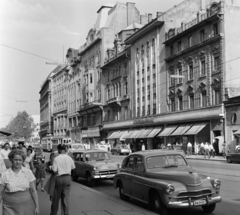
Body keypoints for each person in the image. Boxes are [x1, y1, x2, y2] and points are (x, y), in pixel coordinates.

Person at [0, 149, 39, 215]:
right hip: (9, 208)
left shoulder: (28, 172)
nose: (18, 162)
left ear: (23, 161)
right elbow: (0, 193)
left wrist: (37, 207)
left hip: (27, 206)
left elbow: (33, 190)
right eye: (15, 160)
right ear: (11, 160)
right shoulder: (4, 174)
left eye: (20, 160)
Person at [50, 144, 75, 215]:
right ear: (65, 150)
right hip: (68, 178)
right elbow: (73, 167)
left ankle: (53, 213)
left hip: (59, 179)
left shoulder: (56, 158)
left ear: (58, 150)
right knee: (66, 199)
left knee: (56, 198)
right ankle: (66, 213)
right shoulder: (69, 158)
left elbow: (54, 170)